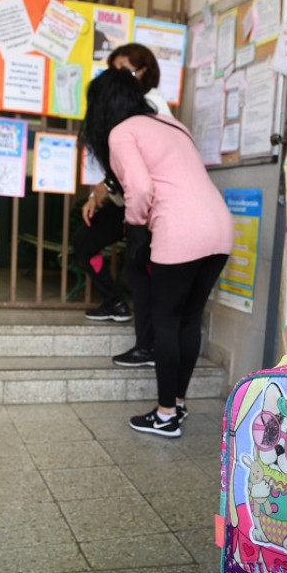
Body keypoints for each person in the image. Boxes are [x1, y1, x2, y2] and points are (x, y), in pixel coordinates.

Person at [82, 68, 233, 438]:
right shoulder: (171, 123)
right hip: (220, 227)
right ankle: (178, 404)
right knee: (189, 318)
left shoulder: (121, 132)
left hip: (180, 230)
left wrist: (136, 229)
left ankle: (165, 414)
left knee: (165, 319)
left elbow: (140, 187)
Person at [74, 43, 173, 367]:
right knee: (85, 242)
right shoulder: (119, 113)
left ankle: (147, 346)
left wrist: (135, 223)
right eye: (116, 69)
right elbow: (120, 169)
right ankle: (116, 303)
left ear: (145, 70)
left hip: (144, 204)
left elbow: (145, 173)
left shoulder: (152, 105)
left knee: (141, 270)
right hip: (125, 199)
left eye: (128, 69)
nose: (122, 76)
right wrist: (97, 194)